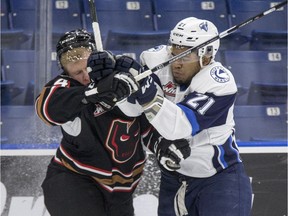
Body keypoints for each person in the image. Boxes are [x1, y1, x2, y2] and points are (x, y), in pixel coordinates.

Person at [35, 29, 190, 216]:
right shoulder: (66, 86)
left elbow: (145, 120)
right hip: (74, 178)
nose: (84, 76)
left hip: (121, 190)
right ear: (66, 72)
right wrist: (93, 92)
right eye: (77, 72)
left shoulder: (122, 78)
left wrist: (161, 143)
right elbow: (46, 109)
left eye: (86, 68)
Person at [133, 17, 253, 216]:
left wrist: (145, 92)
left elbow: (178, 126)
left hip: (219, 179)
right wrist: (118, 71)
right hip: (174, 180)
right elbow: (135, 109)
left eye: (185, 57)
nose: (176, 64)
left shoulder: (220, 83)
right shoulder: (155, 60)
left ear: (206, 57)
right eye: (174, 54)